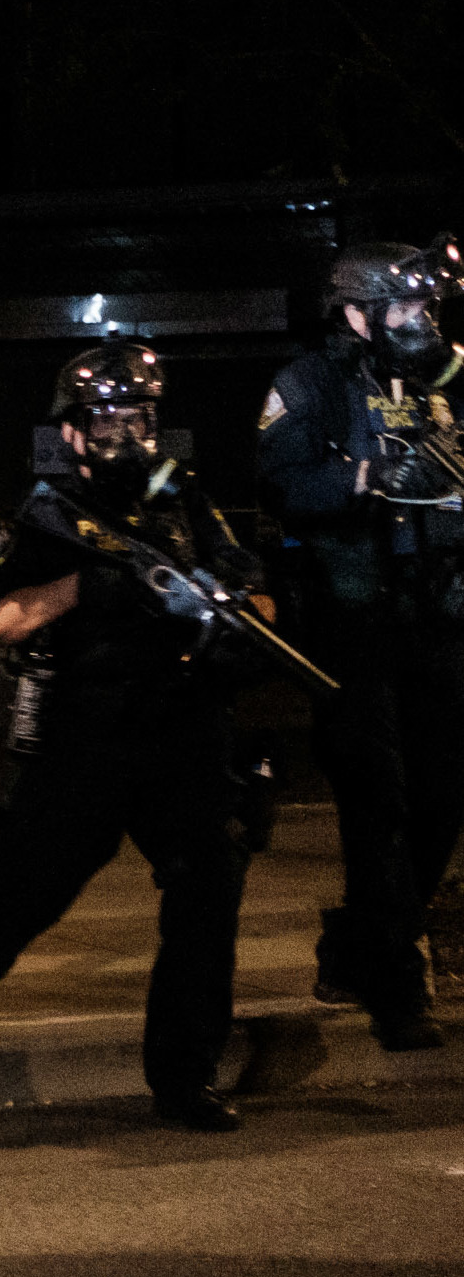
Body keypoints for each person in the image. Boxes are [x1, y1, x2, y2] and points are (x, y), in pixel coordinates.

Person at [0, 342, 266, 1130]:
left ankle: (183, 1077)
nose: (121, 432)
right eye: (103, 417)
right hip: (86, 734)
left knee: (207, 893)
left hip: (182, 730)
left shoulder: (185, 504)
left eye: (136, 416)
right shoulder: (44, 516)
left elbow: (254, 594)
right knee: (28, 891)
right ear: (70, 431)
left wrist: (230, 608)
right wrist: (89, 583)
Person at [257, 240, 464, 1049]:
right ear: (356, 312)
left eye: (426, 308)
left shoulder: (450, 382)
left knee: (443, 797)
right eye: (406, 308)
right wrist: (362, 480)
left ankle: (353, 949)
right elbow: (276, 483)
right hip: (354, 620)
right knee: (376, 802)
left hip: (440, 615)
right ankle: (395, 990)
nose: (422, 322)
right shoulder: (308, 383)